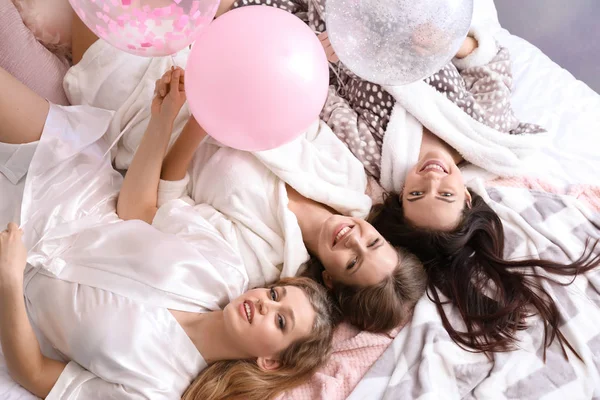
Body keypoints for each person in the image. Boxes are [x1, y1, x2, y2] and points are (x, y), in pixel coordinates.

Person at [65, 12, 428, 334]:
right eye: (372, 242)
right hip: (208, 55)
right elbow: (295, 111)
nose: (353, 240)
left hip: (148, 108)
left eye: (352, 261)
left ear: (331, 281)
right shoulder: (346, 181)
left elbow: (165, 201)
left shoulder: (260, 260)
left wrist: (204, 117)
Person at [0, 64, 336, 400]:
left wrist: (11, 282)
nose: (265, 304)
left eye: (281, 322)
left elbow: (34, 373)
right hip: (65, 177)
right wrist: (163, 118)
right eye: (275, 296)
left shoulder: (156, 388)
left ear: (271, 362)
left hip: (11, 271)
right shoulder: (223, 267)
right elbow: (137, 211)